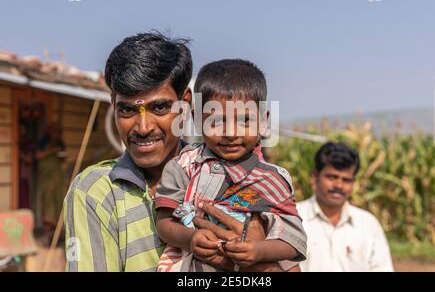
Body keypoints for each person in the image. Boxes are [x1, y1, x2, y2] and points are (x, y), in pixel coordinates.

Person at [63, 32, 288, 272]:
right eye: (127, 110)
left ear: (186, 103)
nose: (143, 128)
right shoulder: (96, 192)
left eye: (159, 107)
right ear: (113, 105)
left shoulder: (239, 175)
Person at [154, 59, 307, 271]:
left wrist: (259, 251)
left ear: (263, 122)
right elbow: (163, 224)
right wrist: (191, 238)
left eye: (244, 121)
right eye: (217, 121)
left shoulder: (272, 179)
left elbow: (293, 240)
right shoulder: (183, 166)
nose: (231, 133)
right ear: (197, 120)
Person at [296, 142, 393, 271]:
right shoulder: (293, 219)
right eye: (332, 177)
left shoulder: (368, 224)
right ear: (315, 177)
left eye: (346, 180)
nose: (339, 185)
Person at [35, 123, 66, 230]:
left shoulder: (60, 142)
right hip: (45, 173)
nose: (57, 134)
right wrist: (52, 151)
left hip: (57, 173)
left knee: (59, 196)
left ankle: (58, 225)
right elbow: (38, 155)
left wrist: (61, 155)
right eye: (55, 131)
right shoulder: (43, 141)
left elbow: (63, 158)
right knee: (46, 196)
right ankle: (47, 223)